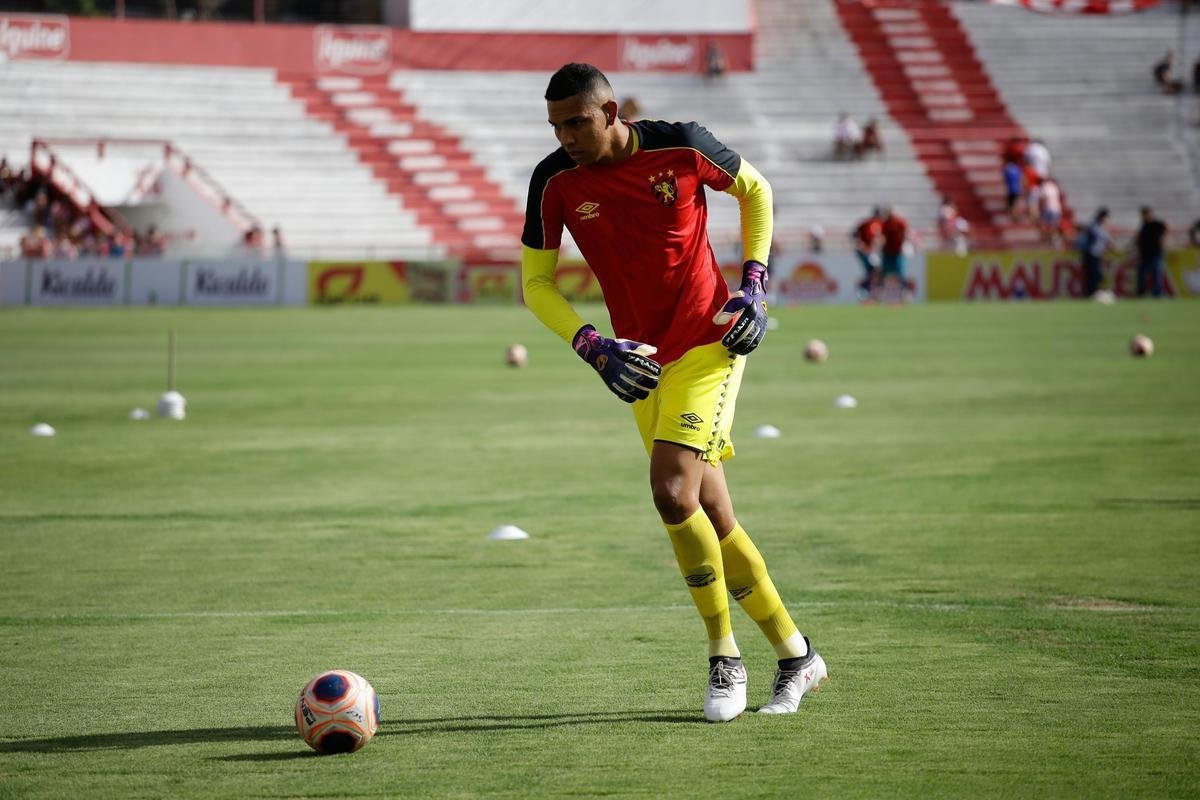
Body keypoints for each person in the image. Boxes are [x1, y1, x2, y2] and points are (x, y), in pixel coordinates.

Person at [521, 63, 826, 723]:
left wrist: (755, 282)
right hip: (638, 364)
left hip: (709, 344)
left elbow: (756, 189)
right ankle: (797, 654)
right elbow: (536, 284)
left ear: (611, 113)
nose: (567, 136)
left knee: (670, 491)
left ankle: (724, 657)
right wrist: (592, 345)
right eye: (556, 125)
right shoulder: (554, 181)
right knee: (711, 517)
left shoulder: (681, 145)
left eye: (577, 121)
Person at [1077, 207, 1112, 297]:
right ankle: (1091, 292)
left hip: (1095, 254)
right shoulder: (1094, 225)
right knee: (1092, 274)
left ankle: (1093, 291)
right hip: (1091, 253)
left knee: (1095, 274)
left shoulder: (1097, 225)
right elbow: (1104, 238)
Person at [1134, 207, 1168, 297]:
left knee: (1156, 273)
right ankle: (1140, 293)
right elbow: (1138, 238)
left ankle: (1157, 294)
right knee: (1141, 274)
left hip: (1155, 254)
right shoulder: (1143, 226)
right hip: (1145, 255)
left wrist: (1163, 239)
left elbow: (1165, 229)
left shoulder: (1156, 224)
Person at [852, 207, 883, 297]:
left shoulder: (877, 224)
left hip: (871, 252)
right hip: (865, 252)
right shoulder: (866, 224)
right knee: (873, 271)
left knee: (875, 271)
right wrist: (861, 245)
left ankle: (869, 291)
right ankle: (865, 291)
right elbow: (854, 235)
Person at [879, 205, 909, 297]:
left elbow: (905, 234)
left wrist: (903, 245)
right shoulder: (884, 223)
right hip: (887, 251)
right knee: (884, 273)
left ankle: (904, 292)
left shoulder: (899, 222)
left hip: (897, 251)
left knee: (900, 273)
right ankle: (881, 292)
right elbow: (882, 237)